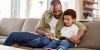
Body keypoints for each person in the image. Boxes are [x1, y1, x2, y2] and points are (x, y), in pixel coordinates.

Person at [3, 0, 86, 48]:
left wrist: (77, 37)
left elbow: (82, 27)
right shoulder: (46, 13)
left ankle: (19, 44)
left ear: (61, 8)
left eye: (59, 11)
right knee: (12, 35)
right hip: (39, 35)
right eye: (54, 11)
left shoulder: (65, 17)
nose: (57, 13)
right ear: (50, 9)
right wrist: (47, 33)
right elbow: (38, 27)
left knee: (45, 41)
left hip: (51, 39)